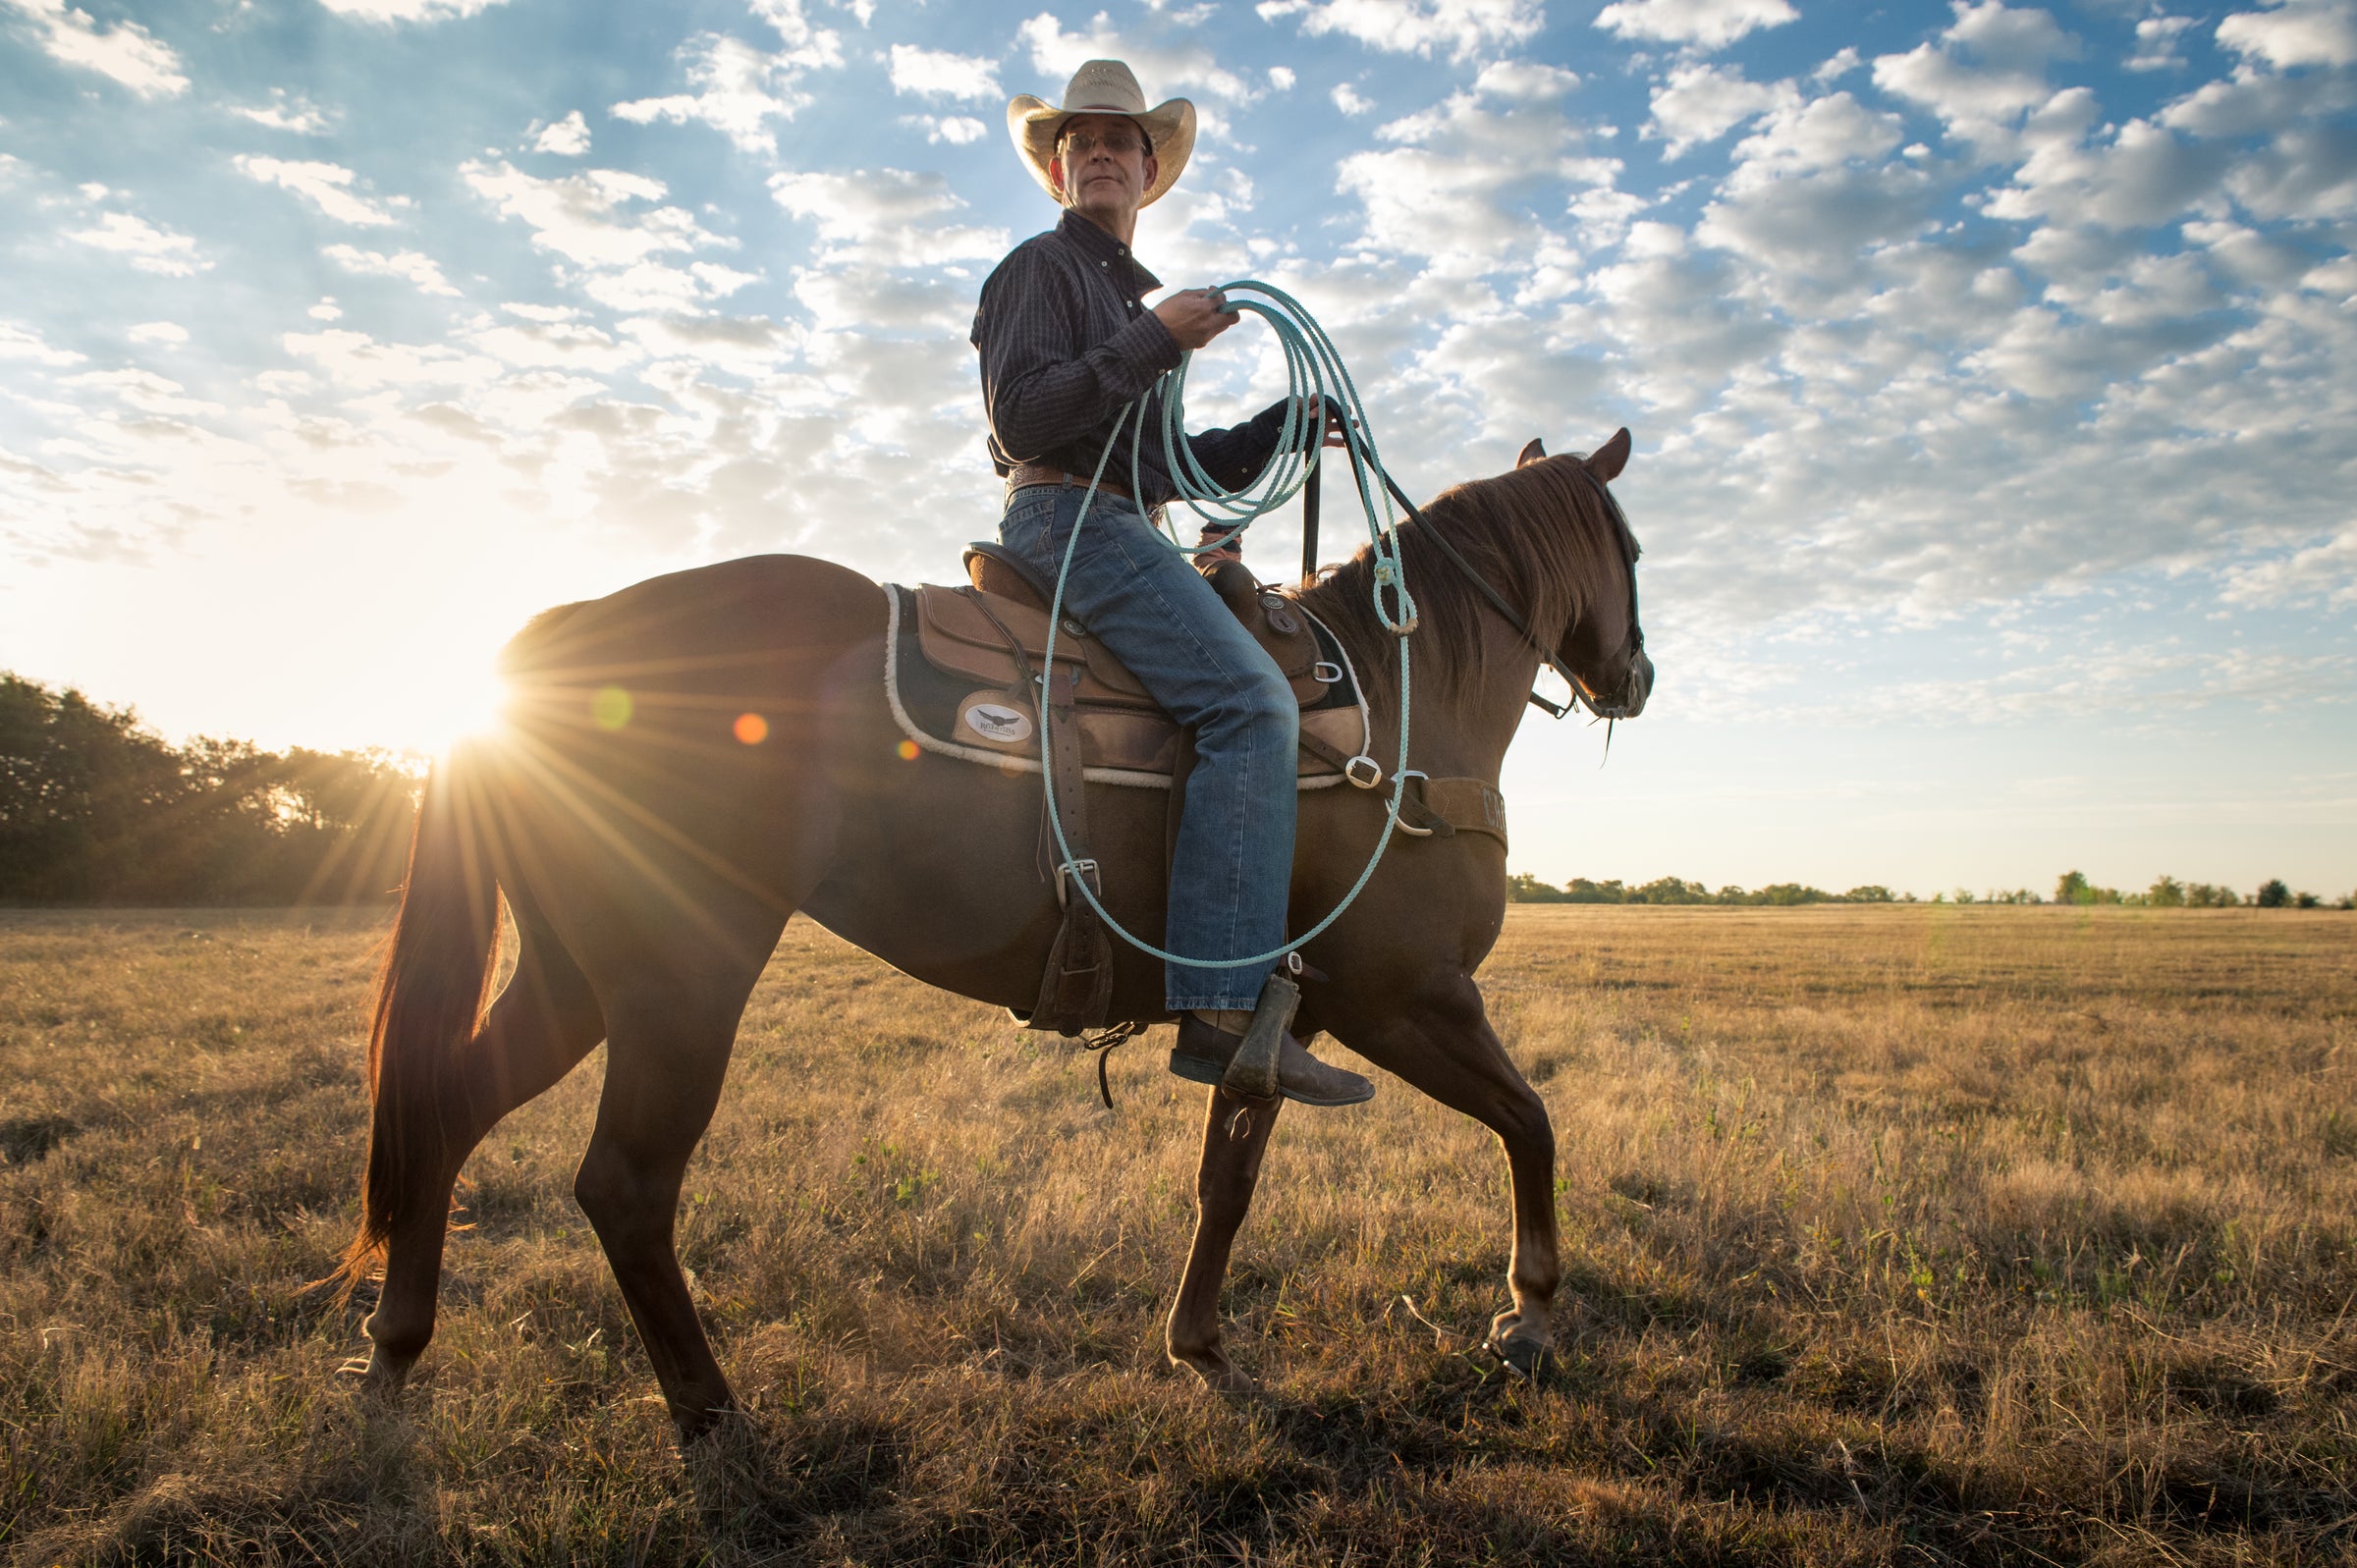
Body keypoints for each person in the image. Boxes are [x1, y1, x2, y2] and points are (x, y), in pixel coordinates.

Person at [971, 60, 1373, 1108]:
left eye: (1122, 140)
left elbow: (1164, 464)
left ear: (1149, 171)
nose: (1102, 152)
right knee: (1250, 703)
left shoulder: (1132, 298)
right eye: (1083, 140)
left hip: (1119, 512)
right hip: (1068, 516)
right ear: (1060, 169)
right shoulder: (1039, 273)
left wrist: (1277, 432)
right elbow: (1026, 419)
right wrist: (1156, 339)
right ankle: (1223, 1008)